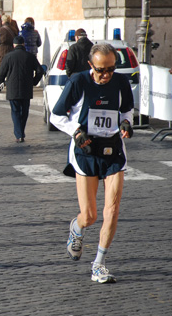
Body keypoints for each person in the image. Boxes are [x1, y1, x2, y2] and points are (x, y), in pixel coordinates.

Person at [50, 43, 134, 284]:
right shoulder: (78, 82)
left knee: (113, 210)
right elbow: (56, 115)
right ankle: (77, 228)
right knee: (90, 216)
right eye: (100, 70)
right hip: (85, 152)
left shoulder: (120, 83)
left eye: (110, 69)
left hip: (113, 152)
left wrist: (126, 124)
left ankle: (99, 264)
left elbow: (127, 110)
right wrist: (76, 132)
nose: (106, 75)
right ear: (90, 66)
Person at [0, 35, 44, 143]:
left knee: (15, 111)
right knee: (25, 111)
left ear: (14, 45)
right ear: (23, 44)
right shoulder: (30, 56)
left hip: (12, 89)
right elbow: (40, 70)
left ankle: (19, 135)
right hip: (26, 88)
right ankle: (21, 132)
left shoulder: (8, 56)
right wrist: (34, 81)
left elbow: (1, 73)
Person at [0, 14, 17, 90]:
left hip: (1, 52)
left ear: (3, 21)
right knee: (8, 70)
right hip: (10, 51)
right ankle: (8, 86)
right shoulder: (14, 29)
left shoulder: (0, 30)